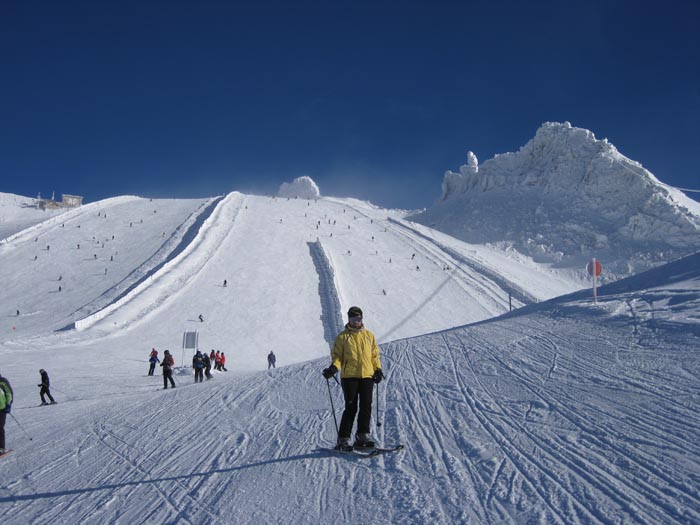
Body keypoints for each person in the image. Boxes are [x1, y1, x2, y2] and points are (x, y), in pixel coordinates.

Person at [323, 306, 383, 451]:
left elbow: (374, 355)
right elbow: (338, 357)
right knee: (351, 407)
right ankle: (343, 438)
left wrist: (378, 369)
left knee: (366, 405)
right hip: (349, 377)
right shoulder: (343, 337)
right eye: (354, 319)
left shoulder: (369, 335)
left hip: (367, 376)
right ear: (349, 319)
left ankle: (362, 435)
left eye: (359, 319)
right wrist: (333, 368)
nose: (357, 322)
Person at [0, 372, 13, 455]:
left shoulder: (2, 381)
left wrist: (8, 404)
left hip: (2, 408)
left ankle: (1, 448)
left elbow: (8, 393)